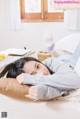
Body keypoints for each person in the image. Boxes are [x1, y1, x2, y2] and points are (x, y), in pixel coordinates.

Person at [0, 44, 80, 101]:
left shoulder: (50, 62)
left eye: (38, 66)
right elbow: (60, 90)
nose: (43, 72)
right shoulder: (38, 83)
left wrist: (33, 78)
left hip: (66, 61)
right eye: (33, 74)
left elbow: (76, 81)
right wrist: (44, 92)